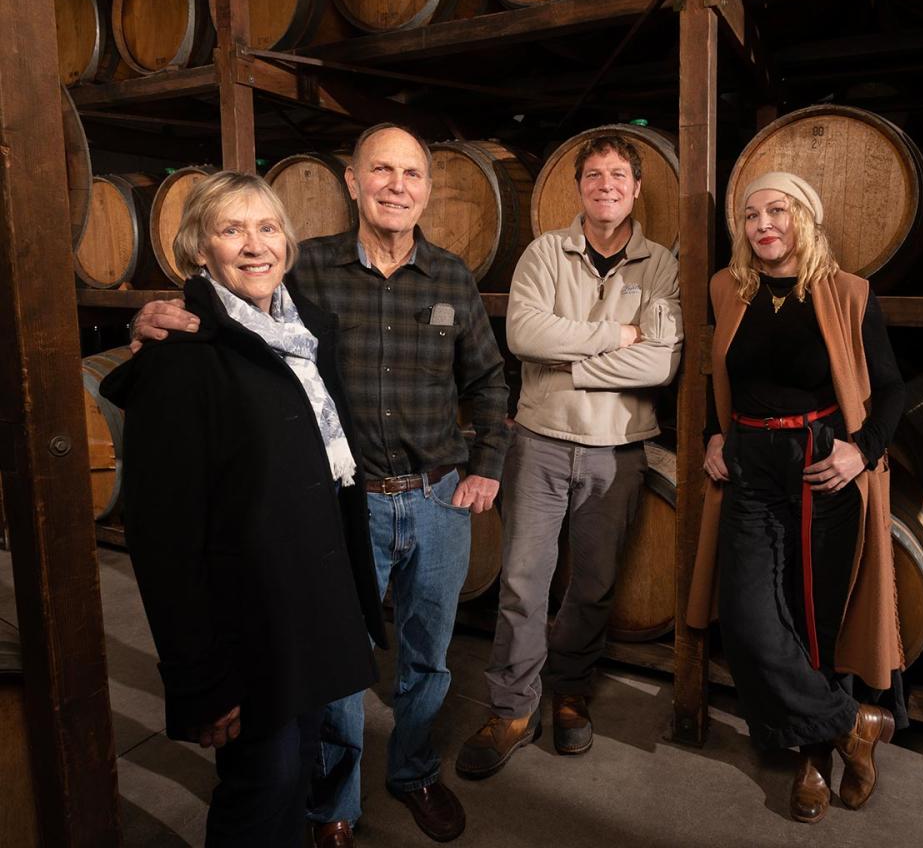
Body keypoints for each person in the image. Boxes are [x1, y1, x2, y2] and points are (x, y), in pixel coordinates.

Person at [131, 124, 511, 847]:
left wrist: (487, 463)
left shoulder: (453, 276)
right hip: (348, 508)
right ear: (352, 182)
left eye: (412, 173)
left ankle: (414, 772)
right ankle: (331, 804)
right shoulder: (305, 272)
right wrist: (151, 316)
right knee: (334, 670)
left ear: (428, 189)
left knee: (429, 655)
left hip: (435, 499)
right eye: (382, 171)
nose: (398, 186)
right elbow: (226, 314)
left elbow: (489, 380)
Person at [101, 171, 387, 848]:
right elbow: (164, 542)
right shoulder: (183, 361)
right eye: (231, 229)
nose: (254, 244)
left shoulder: (307, 334)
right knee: (262, 790)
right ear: (199, 249)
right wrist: (201, 680)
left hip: (312, 614)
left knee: (294, 783)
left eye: (267, 227)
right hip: (250, 632)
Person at [457, 134, 683, 779]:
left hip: (618, 451)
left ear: (637, 188)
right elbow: (525, 334)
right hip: (540, 443)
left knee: (594, 584)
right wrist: (618, 338)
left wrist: (572, 367)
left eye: (618, 174)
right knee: (525, 584)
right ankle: (512, 707)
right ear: (578, 186)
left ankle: (572, 693)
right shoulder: (543, 252)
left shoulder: (660, 265)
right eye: (593, 174)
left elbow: (662, 364)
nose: (605, 184)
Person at [689, 171, 907, 825]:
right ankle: (854, 725)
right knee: (750, 618)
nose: (762, 225)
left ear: (805, 219)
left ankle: (815, 760)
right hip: (751, 465)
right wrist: (713, 434)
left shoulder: (847, 293)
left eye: (777, 211)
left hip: (819, 464)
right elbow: (718, 375)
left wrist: (859, 449)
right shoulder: (729, 290)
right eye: (751, 216)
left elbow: (893, 388)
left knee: (816, 622)